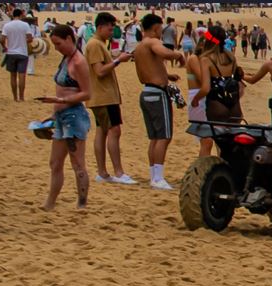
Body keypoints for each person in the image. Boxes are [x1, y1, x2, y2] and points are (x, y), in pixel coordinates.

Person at [39, 24, 91, 211]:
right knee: (55, 163)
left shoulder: (78, 62)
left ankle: (82, 204)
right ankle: (50, 202)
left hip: (74, 116)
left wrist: (60, 100)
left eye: (59, 44)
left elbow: (87, 93)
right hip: (62, 115)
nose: (57, 48)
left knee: (77, 163)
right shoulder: (66, 59)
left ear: (69, 39)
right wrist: (53, 113)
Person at [133, 13, 186, 191]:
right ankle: (158, 177)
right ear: (156, 28)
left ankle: (154, 175)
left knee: (155, 138)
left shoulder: (140, 46)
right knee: (164, 136)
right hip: (157, 94)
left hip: (146, 92)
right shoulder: (152, 41)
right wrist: (178, 54)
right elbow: (165, 53)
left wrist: (167, 75)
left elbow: (148, 68)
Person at [86, 12, 136, 185]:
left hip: (101, 96)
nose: (111, 31)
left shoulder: (98, 44)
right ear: (100, 27)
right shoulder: (94, 45)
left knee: (102, 131)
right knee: (114, 131)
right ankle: (118, 172)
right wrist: (118, 60)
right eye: (109, 28)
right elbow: (100, 71)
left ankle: (103, 172)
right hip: (104, 96)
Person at [192, 26, 243, 125]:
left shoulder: (206, 59)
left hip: (217, 105)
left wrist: (196, 99)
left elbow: (206, 88)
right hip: (235, 106)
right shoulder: (231, 57)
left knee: (219, 136)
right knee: (232, 138)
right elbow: (238, 84)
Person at [185, 37, 213, 157]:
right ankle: (202, 170)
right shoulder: (194, 59)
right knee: (206, 140)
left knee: (209, 140)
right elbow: (203, 79)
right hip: (197, 98)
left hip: (206, 98)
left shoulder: (204, 59)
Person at [1, 7, 32, 101]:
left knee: (13, 76)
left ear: (13, 15)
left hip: (11, 52)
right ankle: (22, 97)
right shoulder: (25, 25)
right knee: (22, 75)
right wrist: (23, 41)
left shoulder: (7, 25)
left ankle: (15, 97)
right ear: (20, 15)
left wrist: (5, 47)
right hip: (23, 52)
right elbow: (30, 38)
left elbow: (2, 39)